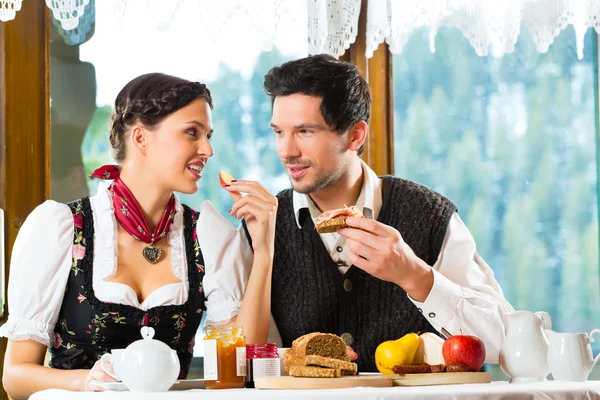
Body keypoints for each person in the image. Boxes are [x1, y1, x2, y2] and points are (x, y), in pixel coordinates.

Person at [0, 73, 277, 399]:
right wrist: (87, 381)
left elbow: (239, 368)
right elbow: (15, 377)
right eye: (192, 133)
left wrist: (264, 251)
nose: (207, 149)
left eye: (208, 135)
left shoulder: (208, 236)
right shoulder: (62, 228)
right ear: (141, 138)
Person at [259, 54, 515, 372]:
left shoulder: (429, 215)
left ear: (355, 135)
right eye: (279, 133)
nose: (286, 151)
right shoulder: (263, 225)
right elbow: (250, 360)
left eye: (305, 132)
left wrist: (415, 276)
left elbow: (506, 341)